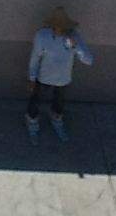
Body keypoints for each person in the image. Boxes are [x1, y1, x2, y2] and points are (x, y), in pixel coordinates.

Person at [25, 11, 93, 140]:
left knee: (59, 103)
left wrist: (76, 47)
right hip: (43, 77)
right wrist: (32, 78)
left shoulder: (74, 37)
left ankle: (56, 120)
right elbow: (35, 58)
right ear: (52, 26)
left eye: (64, 27)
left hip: (63, 79)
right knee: (35, 101)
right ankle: (32, 121)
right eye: (57, 27)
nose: (60, 30)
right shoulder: (42, 36)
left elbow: (89, 60)